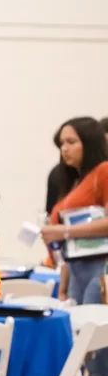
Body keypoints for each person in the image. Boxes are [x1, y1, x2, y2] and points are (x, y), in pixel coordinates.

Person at [42, 117, 108, 307]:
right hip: (75, 269)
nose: (64, 149)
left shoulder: (103, 172)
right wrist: (63, 285)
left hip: (100, 268)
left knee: (91, 329)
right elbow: (70, 246)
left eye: (71, 142)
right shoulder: (75, 182)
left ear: (89, 143)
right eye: (62, 143)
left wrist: (63, 231)